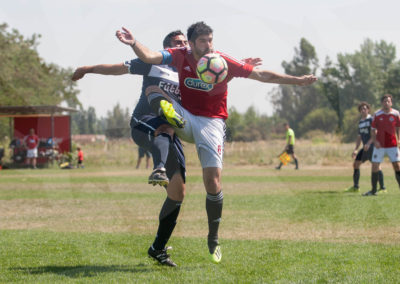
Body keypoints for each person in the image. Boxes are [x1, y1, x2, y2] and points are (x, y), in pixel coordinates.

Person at [116, 21, 317, 264]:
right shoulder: (180, 55)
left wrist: (297, 80)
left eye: (211, 40)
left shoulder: (221, 60)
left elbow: (261, 74)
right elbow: (149, 56)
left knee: (212, 183)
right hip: (186, 117)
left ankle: (213, 236)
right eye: (203, 41)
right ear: (191, 44)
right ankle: (170, 120)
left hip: (212, 123)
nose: (208, 45)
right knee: (153, 91)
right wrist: (133, 43)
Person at [72, 30, 188, 266]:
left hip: (170, 133)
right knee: (164, 127)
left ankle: (158, 248)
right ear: (167, 49)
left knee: (177, 193)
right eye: (178, 43)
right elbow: (117, 68)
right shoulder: (153, 63)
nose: (184, 45)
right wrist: (88, 69)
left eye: (186, 42)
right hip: (143, 123)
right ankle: (158, 168)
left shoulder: (191, 74)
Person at [363, 94, 400, 196]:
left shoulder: (396, 114)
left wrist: (399, 139)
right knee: (375, 166)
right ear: (382, 103)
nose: (386, 103)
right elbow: (373, 130)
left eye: (388, 101)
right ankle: (373, 191)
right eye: (384, 101)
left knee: (397, 166)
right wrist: (375, 141)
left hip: (392, 145)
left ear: (391, 103)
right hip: (380, 146)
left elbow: (398, 128)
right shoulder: (377, 114)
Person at [345, 102, 384, 192]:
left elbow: (375, 133)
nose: (363, 110)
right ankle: (356, 187)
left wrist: (369, 143)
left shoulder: (371, 119)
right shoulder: (361, 122)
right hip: (365, 148)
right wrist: (355, 149)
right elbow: (359, 138)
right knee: (356, 164)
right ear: (360, 111)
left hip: (373, 146)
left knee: (377, 166)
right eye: (361, 109)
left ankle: (382, 188)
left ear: (368, 110)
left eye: (365, 108)